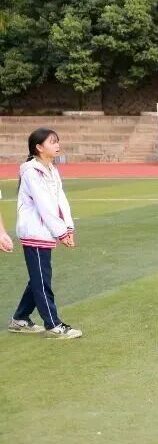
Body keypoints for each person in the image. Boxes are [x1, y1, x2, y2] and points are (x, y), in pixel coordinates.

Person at [8, 128, 81, 338]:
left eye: (57, 141)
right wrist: (61, 233)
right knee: (42, 280)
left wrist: (68, 228)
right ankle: (53, 324)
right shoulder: (32, 172)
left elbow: (61, 201)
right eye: (52, 142)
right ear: (39, 147)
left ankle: (20, 318)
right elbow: (44, 205)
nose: (57, 145)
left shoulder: (51, 169)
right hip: (34, 231)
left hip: (46, 231)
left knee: (38, 278)